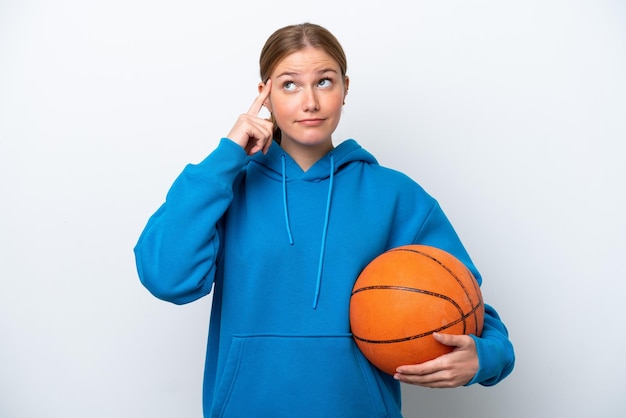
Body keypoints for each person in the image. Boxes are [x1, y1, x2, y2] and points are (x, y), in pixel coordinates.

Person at [134, 22, 514, 417]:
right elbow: (166, 276)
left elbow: (468, 305)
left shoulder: (394, 196)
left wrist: (485, 358)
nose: (310, 102)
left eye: (325, 81)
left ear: (345, 88)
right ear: (264, 94)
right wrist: (225, 157)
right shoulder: (225, 188)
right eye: (290, 85)